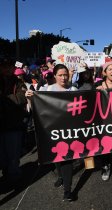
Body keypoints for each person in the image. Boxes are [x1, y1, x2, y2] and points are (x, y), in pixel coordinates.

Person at [25, 64, 77, 201]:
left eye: (65, 74)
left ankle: (67, 190)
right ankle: (60, 175)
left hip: (70, 132)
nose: (63, 77)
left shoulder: (74, 89)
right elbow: (37, 109)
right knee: (56, 156)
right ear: (55, 76)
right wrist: (30, 98)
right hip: (52, 131)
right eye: (60, 75)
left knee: (67, 158)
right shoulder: (47, 89)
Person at [0, 65, 27, 182]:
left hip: (14, 124)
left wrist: (5, 99)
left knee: (14, 154)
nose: (7, 69)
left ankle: (14, 177)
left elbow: (22, 97)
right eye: (4, 67)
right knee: (2, 155)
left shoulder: (19, 82)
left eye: (10, 67)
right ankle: (6, 173)